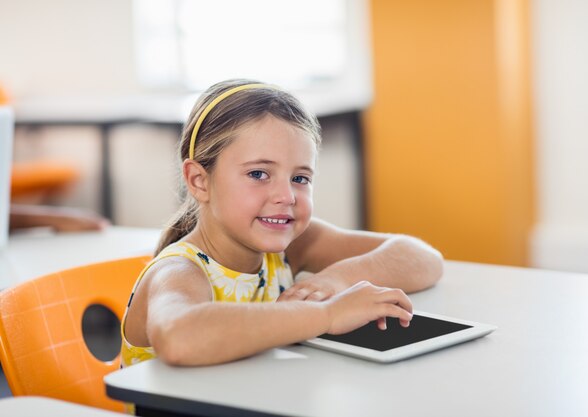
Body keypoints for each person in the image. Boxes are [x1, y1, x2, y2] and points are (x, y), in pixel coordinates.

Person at [121, 79, 444, 367]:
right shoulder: (180, 271)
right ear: (199, 181)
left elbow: (422, 258)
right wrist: (326, 314)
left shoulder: (294, 244)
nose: (286, 195)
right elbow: (180, 339)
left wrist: (334, 281)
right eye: (258, 174)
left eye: (300, 178)